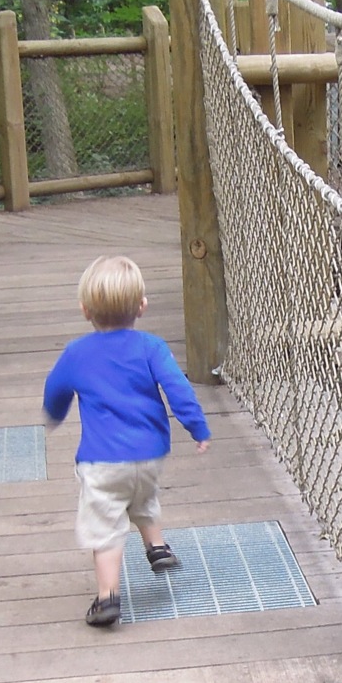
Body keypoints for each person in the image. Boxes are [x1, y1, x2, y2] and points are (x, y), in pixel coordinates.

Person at [43, 255, 211, 627]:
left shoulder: (77, 353)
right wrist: (197, 427)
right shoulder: (152, 347)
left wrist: (54, 414)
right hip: (150, 454)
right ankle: (157, 547)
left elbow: (55, 389)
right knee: (142, 495)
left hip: (102, 461)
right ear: (142, 306)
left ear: (85, 310)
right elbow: (179, 390)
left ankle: (107, 599)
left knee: (106, 527)